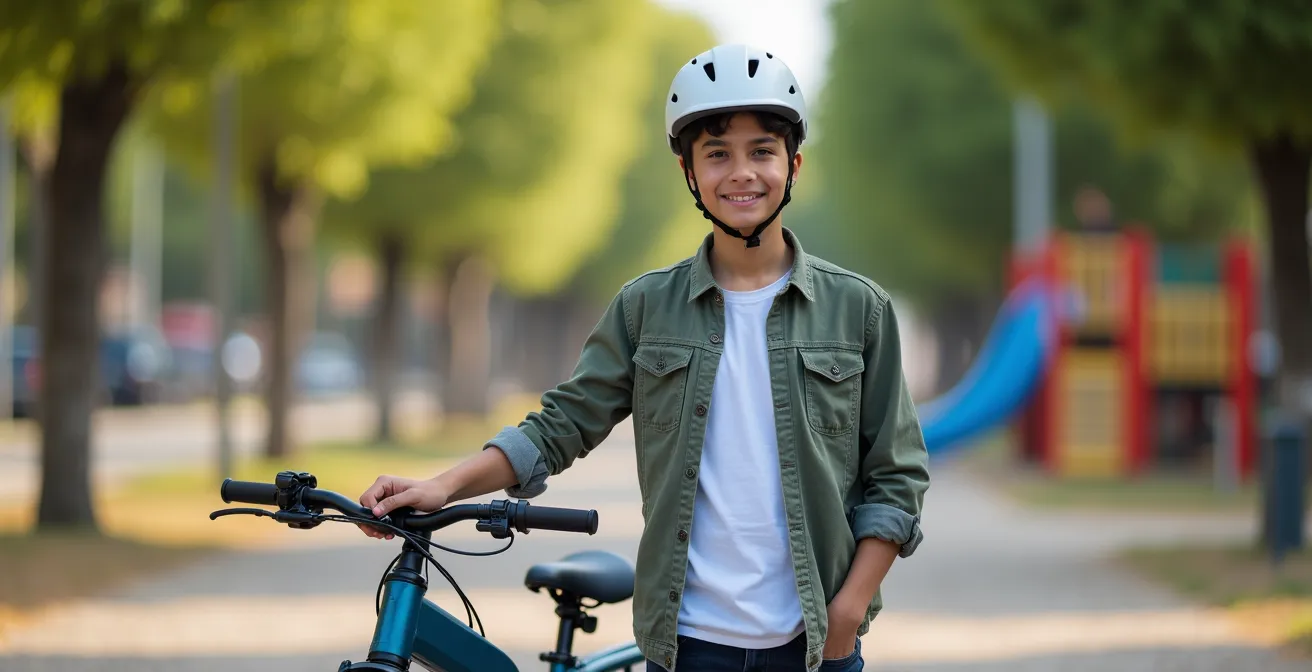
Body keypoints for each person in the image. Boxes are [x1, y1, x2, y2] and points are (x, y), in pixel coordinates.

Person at [357, 44, 930, 672]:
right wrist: (442, 485)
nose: (741, 172)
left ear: (793, 165)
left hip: (816, 645)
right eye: (717, 154)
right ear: (689, 171)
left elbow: (896, 476)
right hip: (685, 644)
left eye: (761, 151)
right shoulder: (645, 308)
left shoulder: (859, 310)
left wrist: (849, 611)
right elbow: (559, 426)